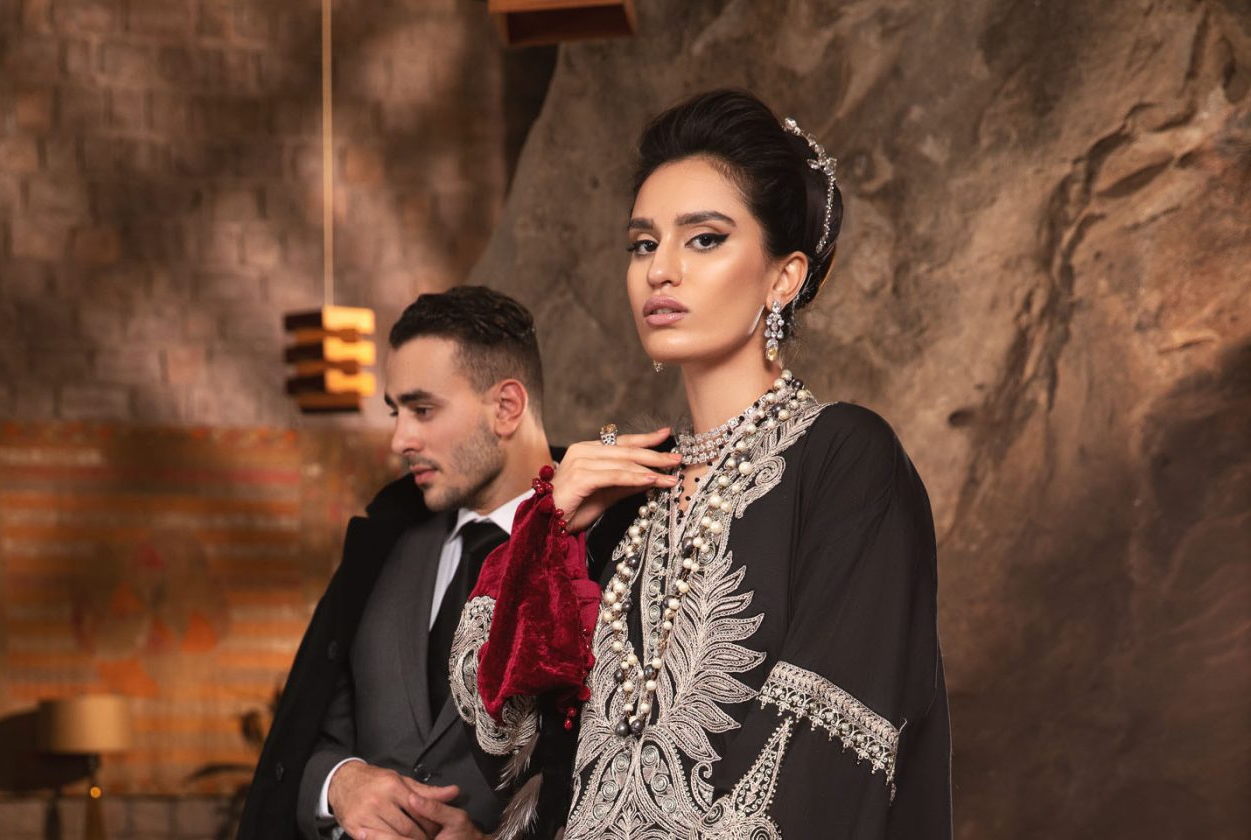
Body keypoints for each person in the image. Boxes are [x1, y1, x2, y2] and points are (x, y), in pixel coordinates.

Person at [448, 90, 952, 838]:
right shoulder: (621, 491)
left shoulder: (845, 458)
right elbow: (498, 733)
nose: (661, 270)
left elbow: (827, 753)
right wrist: (547, 530)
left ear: (784, 277)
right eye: (643, 244)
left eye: (705, 239)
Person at [237, 286, 559, 840]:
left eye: (422, 410)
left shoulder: (603, 548)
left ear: (507, 407)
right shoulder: (381, 547)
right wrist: (340, 783)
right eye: (396, 412)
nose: (400, 439)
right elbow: (309, 737)